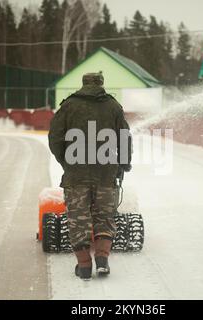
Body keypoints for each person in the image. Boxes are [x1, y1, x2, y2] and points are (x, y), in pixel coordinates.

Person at [49, 72, 132, 280]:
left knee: (78, 219)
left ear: (83, 83)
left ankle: (84, 266)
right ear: (102, 84)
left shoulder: (68, 106)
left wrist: (66, 161)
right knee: (105, 216)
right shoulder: (113, 106)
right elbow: (124, 137)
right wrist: (123, 163)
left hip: (76, 175)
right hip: (106, 174)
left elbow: (55, 138)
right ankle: (102, 259)